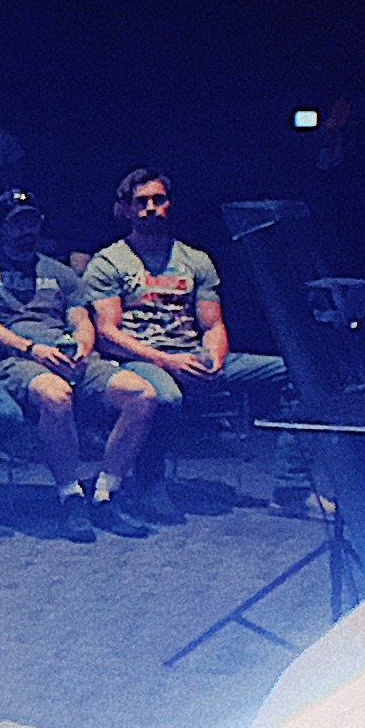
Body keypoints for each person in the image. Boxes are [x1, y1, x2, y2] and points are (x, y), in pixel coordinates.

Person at [79, 169, 285, 528]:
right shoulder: (109, 262)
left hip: (191, 353)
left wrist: (214, 359)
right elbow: (108, 333)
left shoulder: (195, 259)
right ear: (126, 210)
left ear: (169, 204)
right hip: (140, 358)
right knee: (165, 396)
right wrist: (168, 361)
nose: (151, 208)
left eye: (158, 200)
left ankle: (292, 488)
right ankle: (149, 481)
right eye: (141, 203)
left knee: (291, 371)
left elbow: (213, 324)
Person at [0, 193, 106, 540]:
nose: (26, 229)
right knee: (55, 396)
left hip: (68, 354)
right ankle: (71, 497)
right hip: (14, 359)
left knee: (138, 392)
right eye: (17, 222)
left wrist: (83, 348)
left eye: (32, 221)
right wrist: (31, 348)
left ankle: (106, 491)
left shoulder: (60, 272)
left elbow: (81, 319)